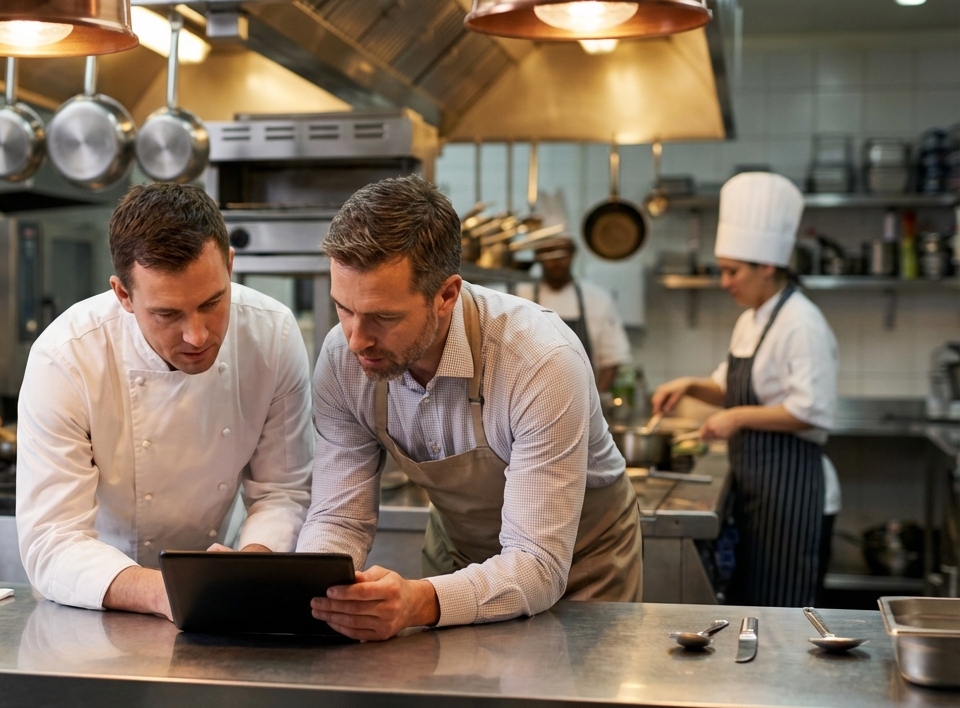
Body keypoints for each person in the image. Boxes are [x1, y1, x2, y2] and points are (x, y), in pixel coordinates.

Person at [297, 175, 642, 642]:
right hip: (457, 558)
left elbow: (537, 563)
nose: (357, 339)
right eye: (344, 309)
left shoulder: (540, 360)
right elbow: (339, 518)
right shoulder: (343, 360)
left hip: (581, 566)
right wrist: (316, 595)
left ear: (446, 296)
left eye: (384, 317)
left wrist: (420, 601)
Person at [15, 183, 313, 617]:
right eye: (167, 314)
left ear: (230, 265)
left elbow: (283, 492)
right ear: (123, 295)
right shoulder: (66, 358)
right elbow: (52, 539)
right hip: (97, 597)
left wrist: (249, 564)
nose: (197, 335)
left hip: (223, 591)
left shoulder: (272, 335)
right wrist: (168, 592)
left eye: (213, 302)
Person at [652, 172, 840, 607]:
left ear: (767, 265)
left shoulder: (801, 323)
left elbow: (811, 409)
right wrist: (689, 386)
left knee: (785, 611)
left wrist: (736, 418)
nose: (725, 282)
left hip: (793, 493)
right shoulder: (751, 318)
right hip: (758, 487)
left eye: (732, 271)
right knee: (757, 605)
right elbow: (728, 386)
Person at [514, 236, 632, 392]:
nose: (556, 260)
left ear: (573, 254)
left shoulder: (598, 299)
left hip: (582, 399)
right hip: (526, 400)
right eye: (549, 252)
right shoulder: (518, 297)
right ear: (537, 256)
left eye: (562, 252)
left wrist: (593, 402)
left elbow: (611, 360)